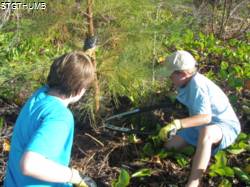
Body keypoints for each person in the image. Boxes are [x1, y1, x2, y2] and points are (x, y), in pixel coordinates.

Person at [4, 51, 97, 187]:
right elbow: (29, 165)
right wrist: (74, 176)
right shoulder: (60, 117)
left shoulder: (39, 96)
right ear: (80, 90)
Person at [157, 50, 241, 187]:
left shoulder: (197, 85)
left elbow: (206, 117)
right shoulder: (186, 82)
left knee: (206, 133)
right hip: (199, 126)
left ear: (183, 74)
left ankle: (193, 182)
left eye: (171, 75)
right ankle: (202, 149)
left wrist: (177, 124)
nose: (169, 78)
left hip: (224, 126)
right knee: (169, 146)